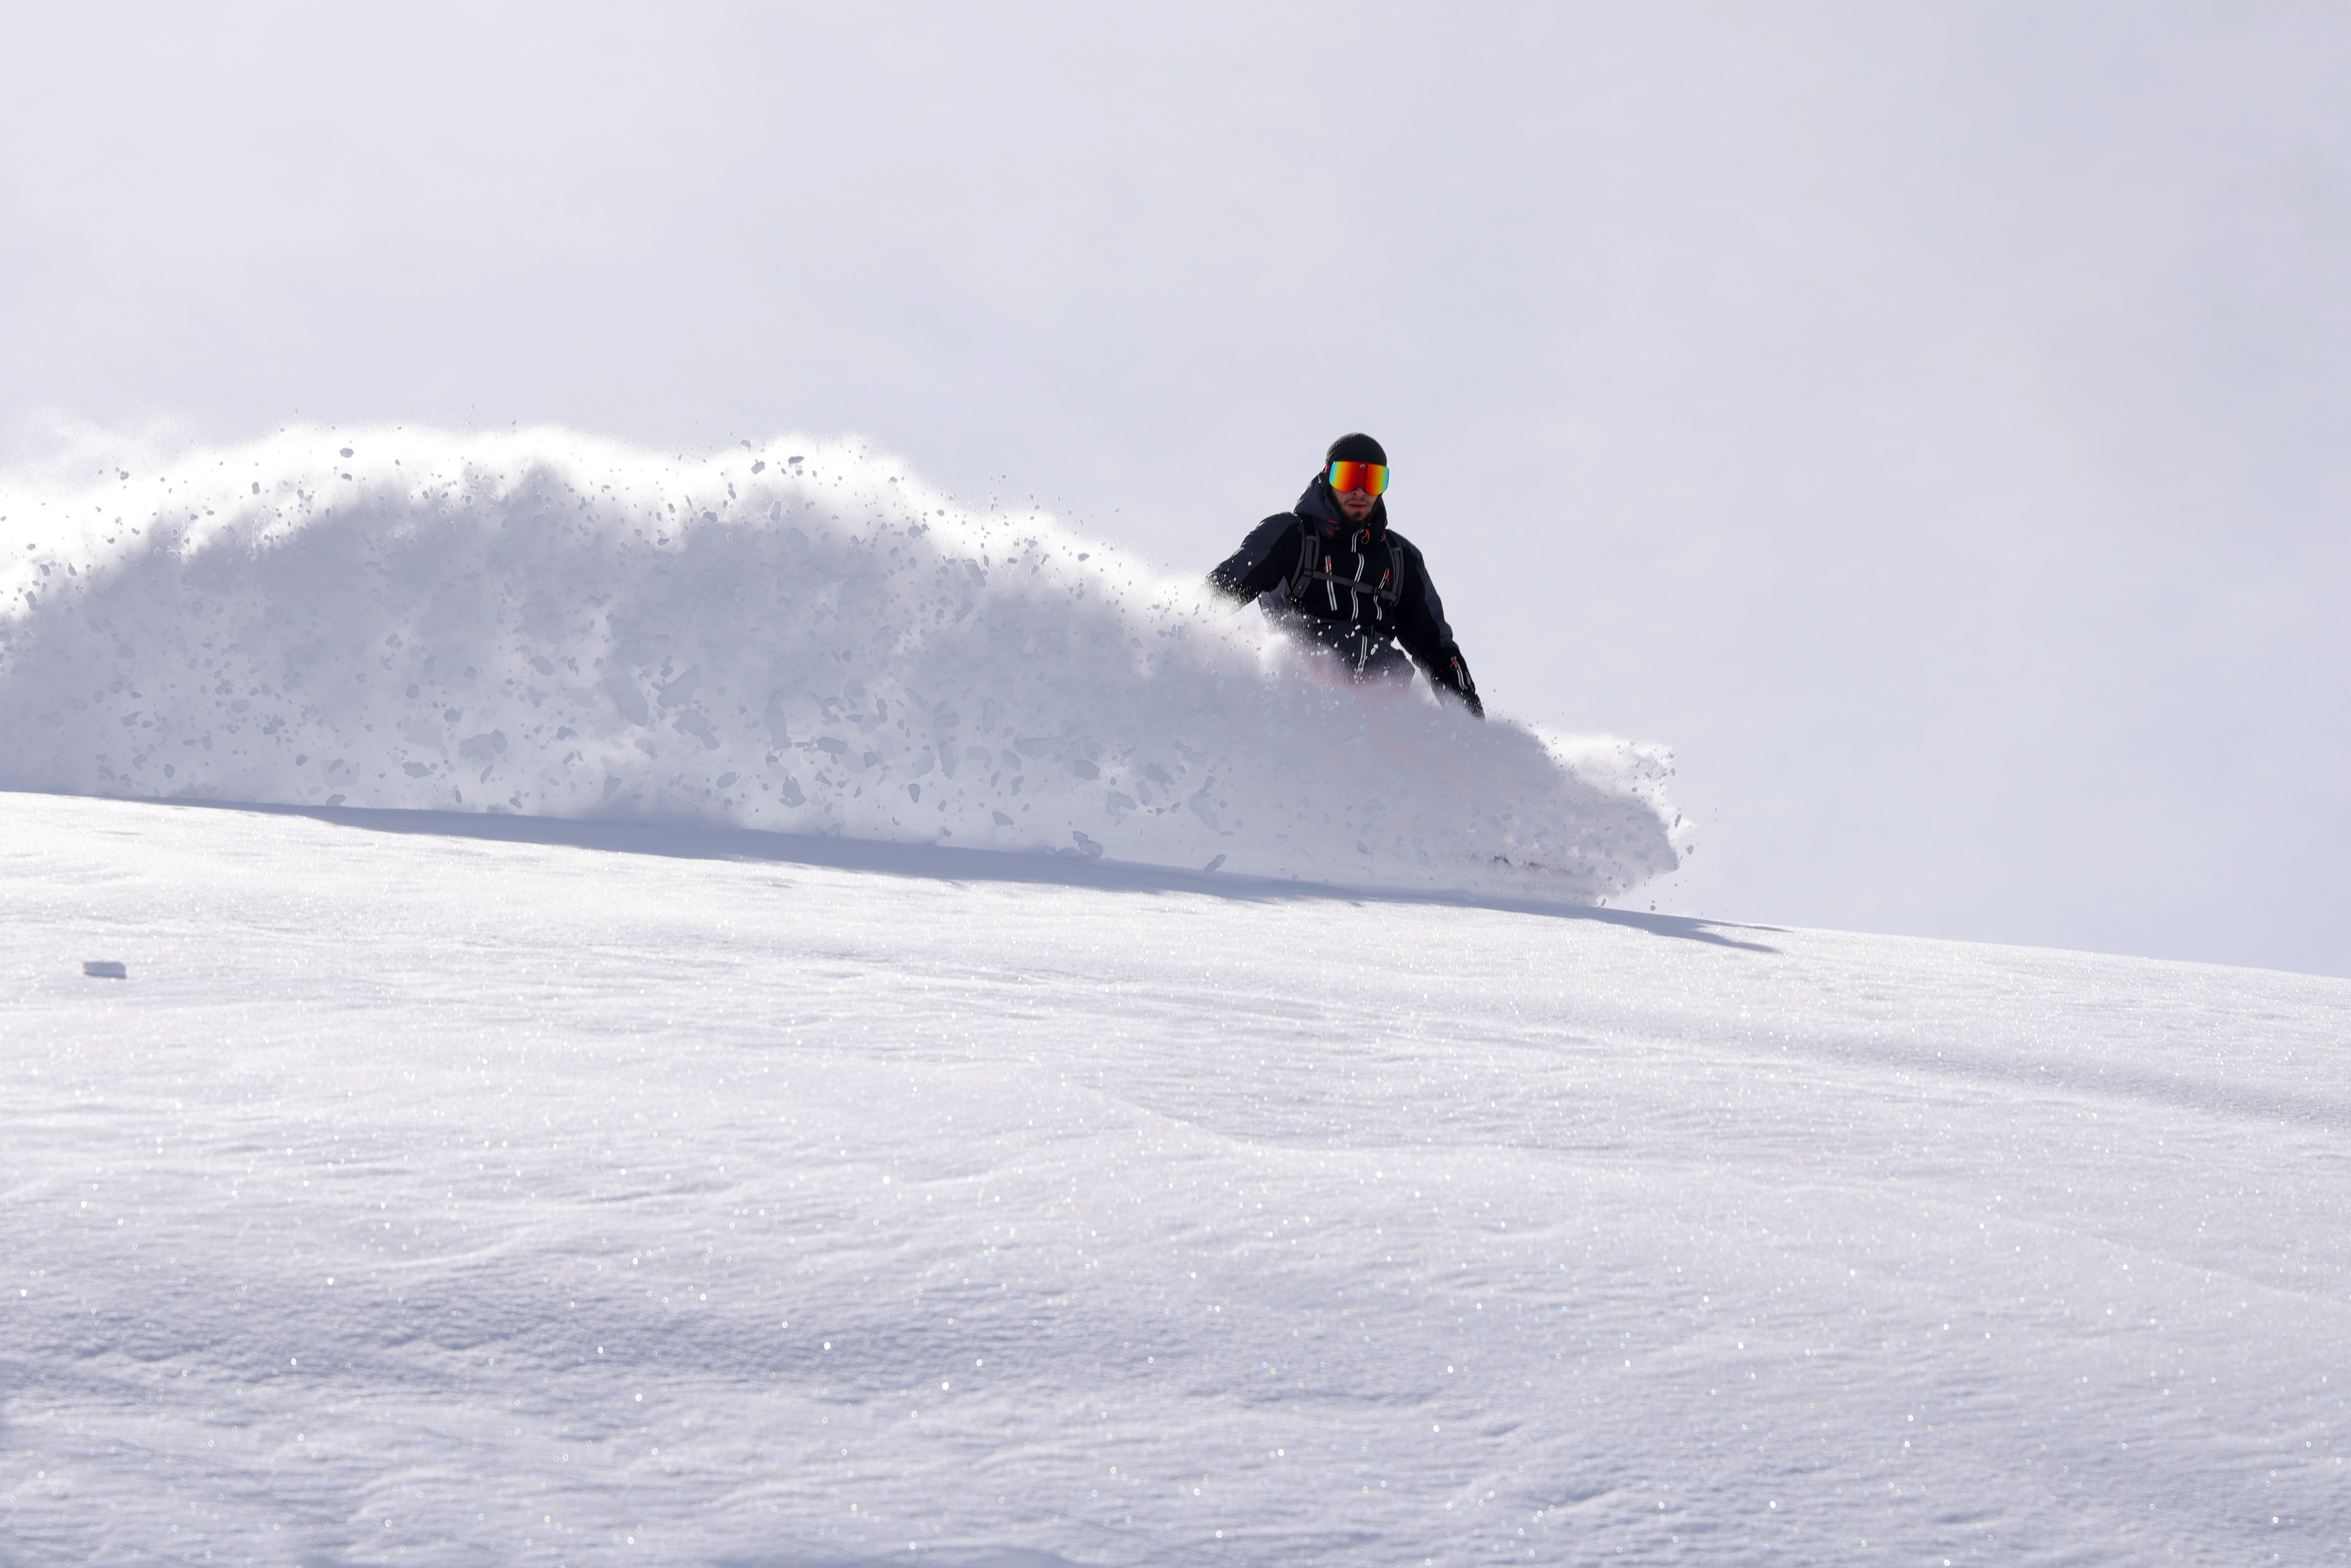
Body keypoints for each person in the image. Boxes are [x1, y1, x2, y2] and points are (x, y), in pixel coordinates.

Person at [1207, 433, 1483, 717]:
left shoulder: (1400, 559)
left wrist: (1473, 730)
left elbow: (1435, 647)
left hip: (1384, 712)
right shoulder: (1291, 536)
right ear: (1328, 476)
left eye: (1372, 480)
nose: (1359, 491)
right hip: (1305, 700)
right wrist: (1183, 641)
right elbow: (1224, 588)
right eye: (1349, 477)